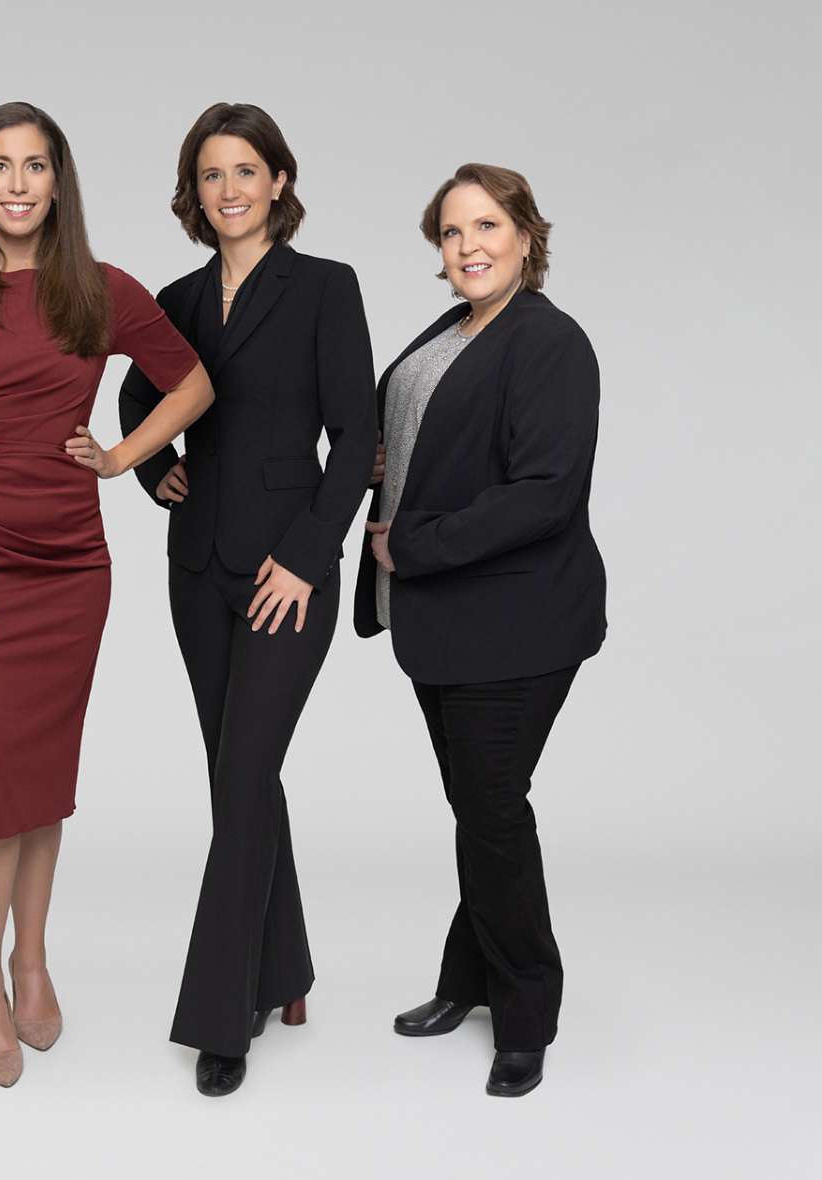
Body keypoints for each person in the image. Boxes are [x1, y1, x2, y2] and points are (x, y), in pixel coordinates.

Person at [0, 102, 214, 1087]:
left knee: (39, 774)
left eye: (36, 166)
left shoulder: (99, 290)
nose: (18, 184)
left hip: (70, 568)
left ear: (57, 184)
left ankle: (34, 956)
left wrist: (121, 456)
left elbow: (191, 383)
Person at [119, 102, 376, 1096]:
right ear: (197, 192)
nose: (228, 189)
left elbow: (354, 438)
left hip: (288, 573)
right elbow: (138, 397)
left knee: (242, 774)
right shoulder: (178, 298)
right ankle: (290, 969)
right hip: (199, 572)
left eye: (246, 171)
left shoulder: (324, 289)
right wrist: (155, 471)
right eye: (211, 174)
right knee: (240, 776)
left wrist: (310, 554)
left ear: (278, 182)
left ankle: (224, 1011)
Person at [357, 163, 606, 1098]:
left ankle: (527, 1007)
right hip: (442, 623)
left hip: (520, 623)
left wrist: (409, 543)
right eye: (452, 233)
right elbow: (428, 430)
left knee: (494, 813)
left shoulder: (550, 343)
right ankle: (470, 979)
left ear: (527, 235)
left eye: (487, 226)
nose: (468, 247)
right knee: (480, 811)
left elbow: (543, 495)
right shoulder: (454, 329)